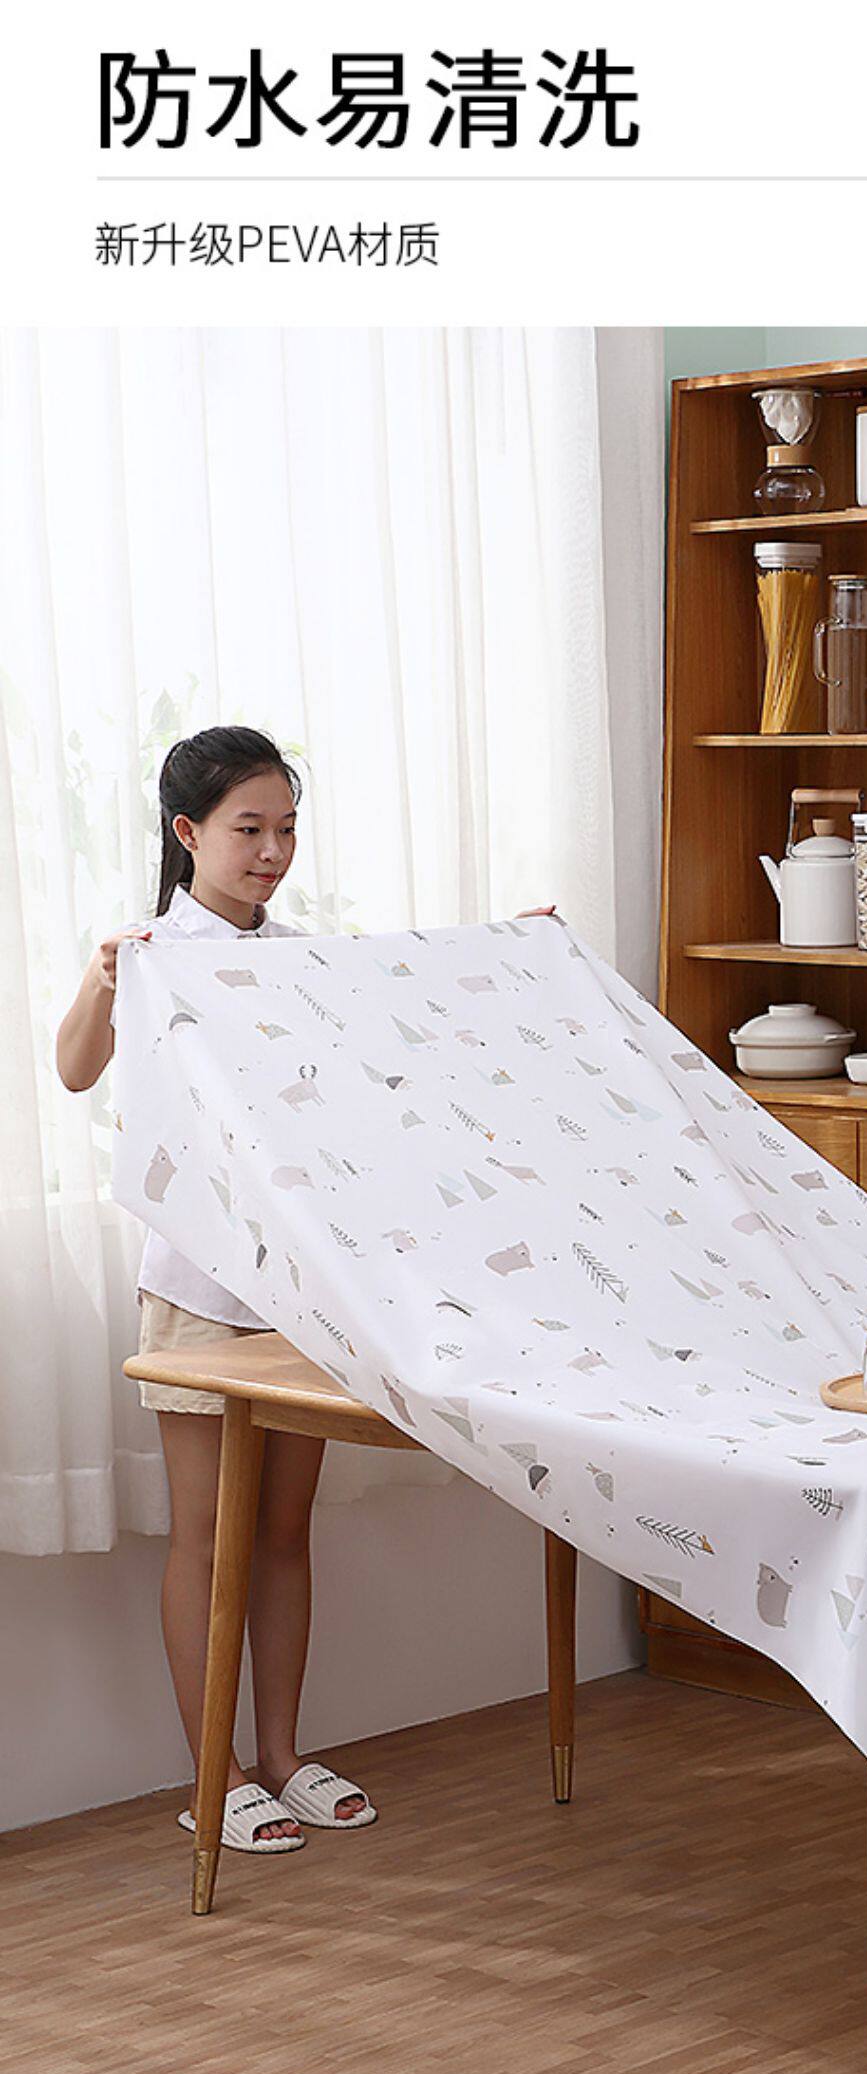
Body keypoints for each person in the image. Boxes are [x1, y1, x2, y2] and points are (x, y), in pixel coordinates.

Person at [56, 726, 555, 1857]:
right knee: (207, 1538)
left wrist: (512, 958)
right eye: (250, 829)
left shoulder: (301, 960)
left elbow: (409, 1036)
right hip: (196, 1297)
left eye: (287, 829)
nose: (273, 852)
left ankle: (281, 1757)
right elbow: (75, 1070)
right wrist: (100, 977)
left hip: (297, 1295)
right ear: (188, 834)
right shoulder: (151, 953)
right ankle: (215, 1774)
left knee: (283, 1533)